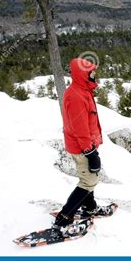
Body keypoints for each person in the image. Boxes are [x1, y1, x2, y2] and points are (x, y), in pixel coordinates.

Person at [53, 58, 112, 236]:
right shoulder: (76, 95)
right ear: (83, 74)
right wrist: (90, 152)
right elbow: (80, 129)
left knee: (89, 177)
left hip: (86, 144)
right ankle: (64, 218)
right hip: (82, 147)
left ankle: (90, 207)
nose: (95, 75)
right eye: (91, 72)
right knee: (89, 181)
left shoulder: (83, 91)